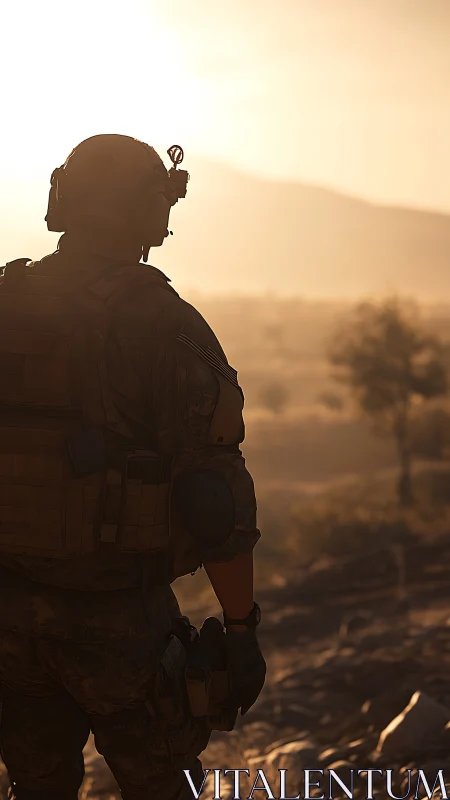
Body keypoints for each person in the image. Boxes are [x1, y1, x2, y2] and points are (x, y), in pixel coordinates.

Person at [0, 135, 265, 800]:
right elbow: (214, 501)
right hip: (116, 624)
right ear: (147, 209)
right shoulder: (161, 324)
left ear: (63, 200)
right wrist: (238, 630)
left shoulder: (7, 300)